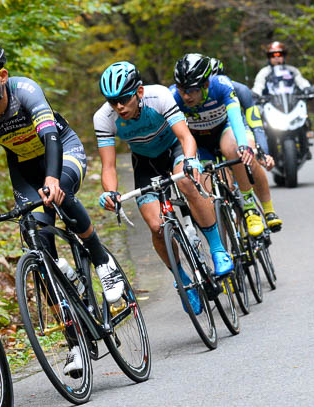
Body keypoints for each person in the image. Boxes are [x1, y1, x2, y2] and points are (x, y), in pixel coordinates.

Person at [0, 38, 124, 375]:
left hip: (61, 151)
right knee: (39, 245)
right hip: (24, 169)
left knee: (62, 195)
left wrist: (54, 179)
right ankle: (75, 341)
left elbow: (50, 137)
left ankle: (103, 262)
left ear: (1, 76)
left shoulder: (25, 90)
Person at [94, 61, 233, 316]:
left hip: (175, 150)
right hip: (145, 162)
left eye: (124, 99)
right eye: (113, 101)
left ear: (138, 92)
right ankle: (183, 280)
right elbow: (109, 166)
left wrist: (191, 160)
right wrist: (111, 192)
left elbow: (185, 136)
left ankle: (217, 249)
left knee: (185, 181)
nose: (119, 107)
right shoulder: (104, 118)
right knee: (157, 226)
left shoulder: (159, 95)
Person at [173, 55, 282, 233]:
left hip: (225, 130)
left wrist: (250, 147)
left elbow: (245, 121)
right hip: (199, 142)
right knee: (211, 194)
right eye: (181, 89)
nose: (185, 96)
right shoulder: (173, 97)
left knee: (238, 151)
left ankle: (255, 209)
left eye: (191, 90)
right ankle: (231, 240)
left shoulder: (226, 86)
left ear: (206, 84)